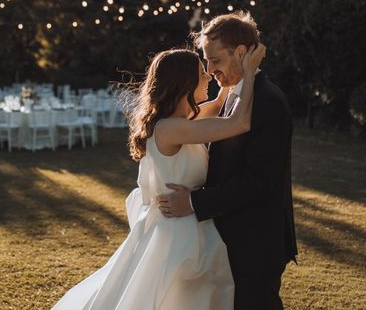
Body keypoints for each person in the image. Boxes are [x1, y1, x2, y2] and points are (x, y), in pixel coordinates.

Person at [52, 41, 265, 310]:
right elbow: (239, 123)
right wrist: (249, 70)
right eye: (201, 72)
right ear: (184, 83)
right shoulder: (169, 129)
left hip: (187, 222)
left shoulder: (181, 123)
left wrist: (232, 75)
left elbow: (219, 102)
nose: (208, 75)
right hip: (177, 233)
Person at [157, 12, 298, 309]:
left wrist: (195, 203)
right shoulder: (234, 96)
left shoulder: (268, 101)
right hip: (225, 238)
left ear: (242, 53)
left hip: (255, 241)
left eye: (216, 61)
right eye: (206, 61)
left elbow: (261, 181)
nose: (209, 70)